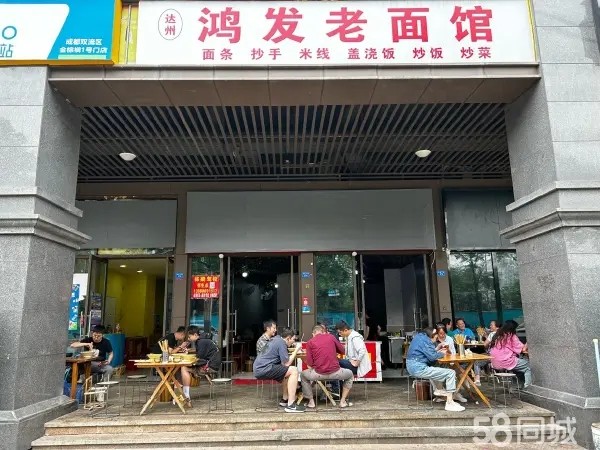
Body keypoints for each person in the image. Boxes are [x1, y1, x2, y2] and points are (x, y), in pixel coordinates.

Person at [406, 328, 465, 411]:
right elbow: (432, 357)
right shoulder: (426, 341)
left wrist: (437, 348)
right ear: (432, 335)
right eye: (436, 337)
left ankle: (441, 391)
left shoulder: (419, 337)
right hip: (418, 368)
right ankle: (449, 403)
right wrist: (442, 353)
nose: (436, 340)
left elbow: (426, 352)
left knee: (442, 365)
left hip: (412, 366)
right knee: (451, 373)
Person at [253, 327, 305, 413]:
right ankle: (291, 405)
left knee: (287, 371)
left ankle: (285, 399)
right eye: (293, 339)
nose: (294, 342)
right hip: (264, 368)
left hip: (259, 368)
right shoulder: (281, 343)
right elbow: (287, 363)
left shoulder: (276, 339)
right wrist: (296, 350)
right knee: (294, 370)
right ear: (288, 338)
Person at [301, 325, 354, 409]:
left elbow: (310, 364)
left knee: (303, 375)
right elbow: (342, 351)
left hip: (318, 374)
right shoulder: (331, 337)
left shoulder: (310, 342)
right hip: (336, 373)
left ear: (313, 333)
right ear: (323, 332)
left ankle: (311, 402)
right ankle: (343, 401)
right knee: (350, 374)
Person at [489, 320, 532, 389]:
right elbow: (523, 349)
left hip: (494, 363)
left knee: (518, 365)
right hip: (505, 362)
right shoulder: (511, 336)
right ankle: (528, 388)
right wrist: (528, 341)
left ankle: (515, 386)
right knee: (529, 366)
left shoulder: (498, 335)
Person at [178, 326, 202, 407]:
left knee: (184, 368)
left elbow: (200, 356)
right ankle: (185, 395)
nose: (188, 339)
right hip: (209, 364)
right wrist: (189, 351)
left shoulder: (201, 342)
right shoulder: (202, 340)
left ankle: (186, 396)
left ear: (195, 335)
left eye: (189, 337)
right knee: (184, 367)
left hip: (208, 366)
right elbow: (199, 352)